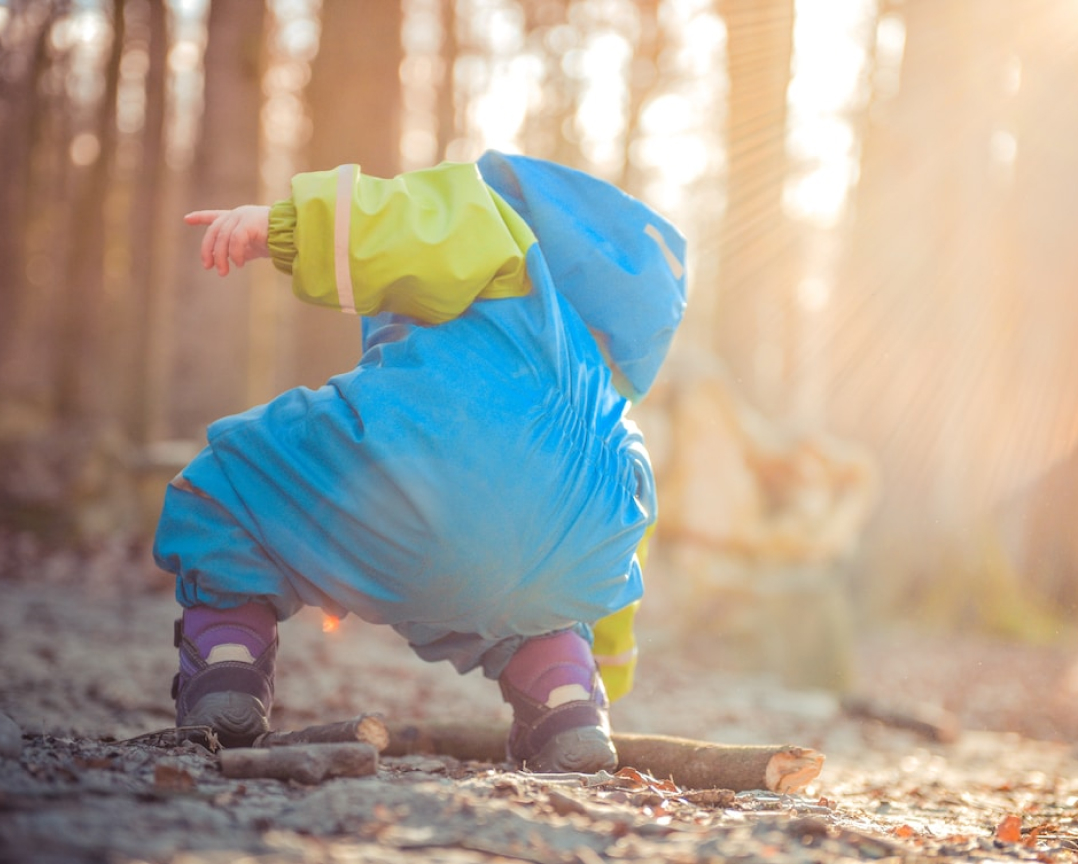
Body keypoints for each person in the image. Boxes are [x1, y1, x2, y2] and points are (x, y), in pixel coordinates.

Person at [155, 151, 688, 773]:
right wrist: (611, 670)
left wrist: (280, 228)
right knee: (539, 605)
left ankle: (227, 668)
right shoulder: (613, 419)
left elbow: (411, 222)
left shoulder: (506, 244)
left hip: (418, 485)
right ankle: (567, 701)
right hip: (558, 568)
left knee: (230, 486)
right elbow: (623, 558)